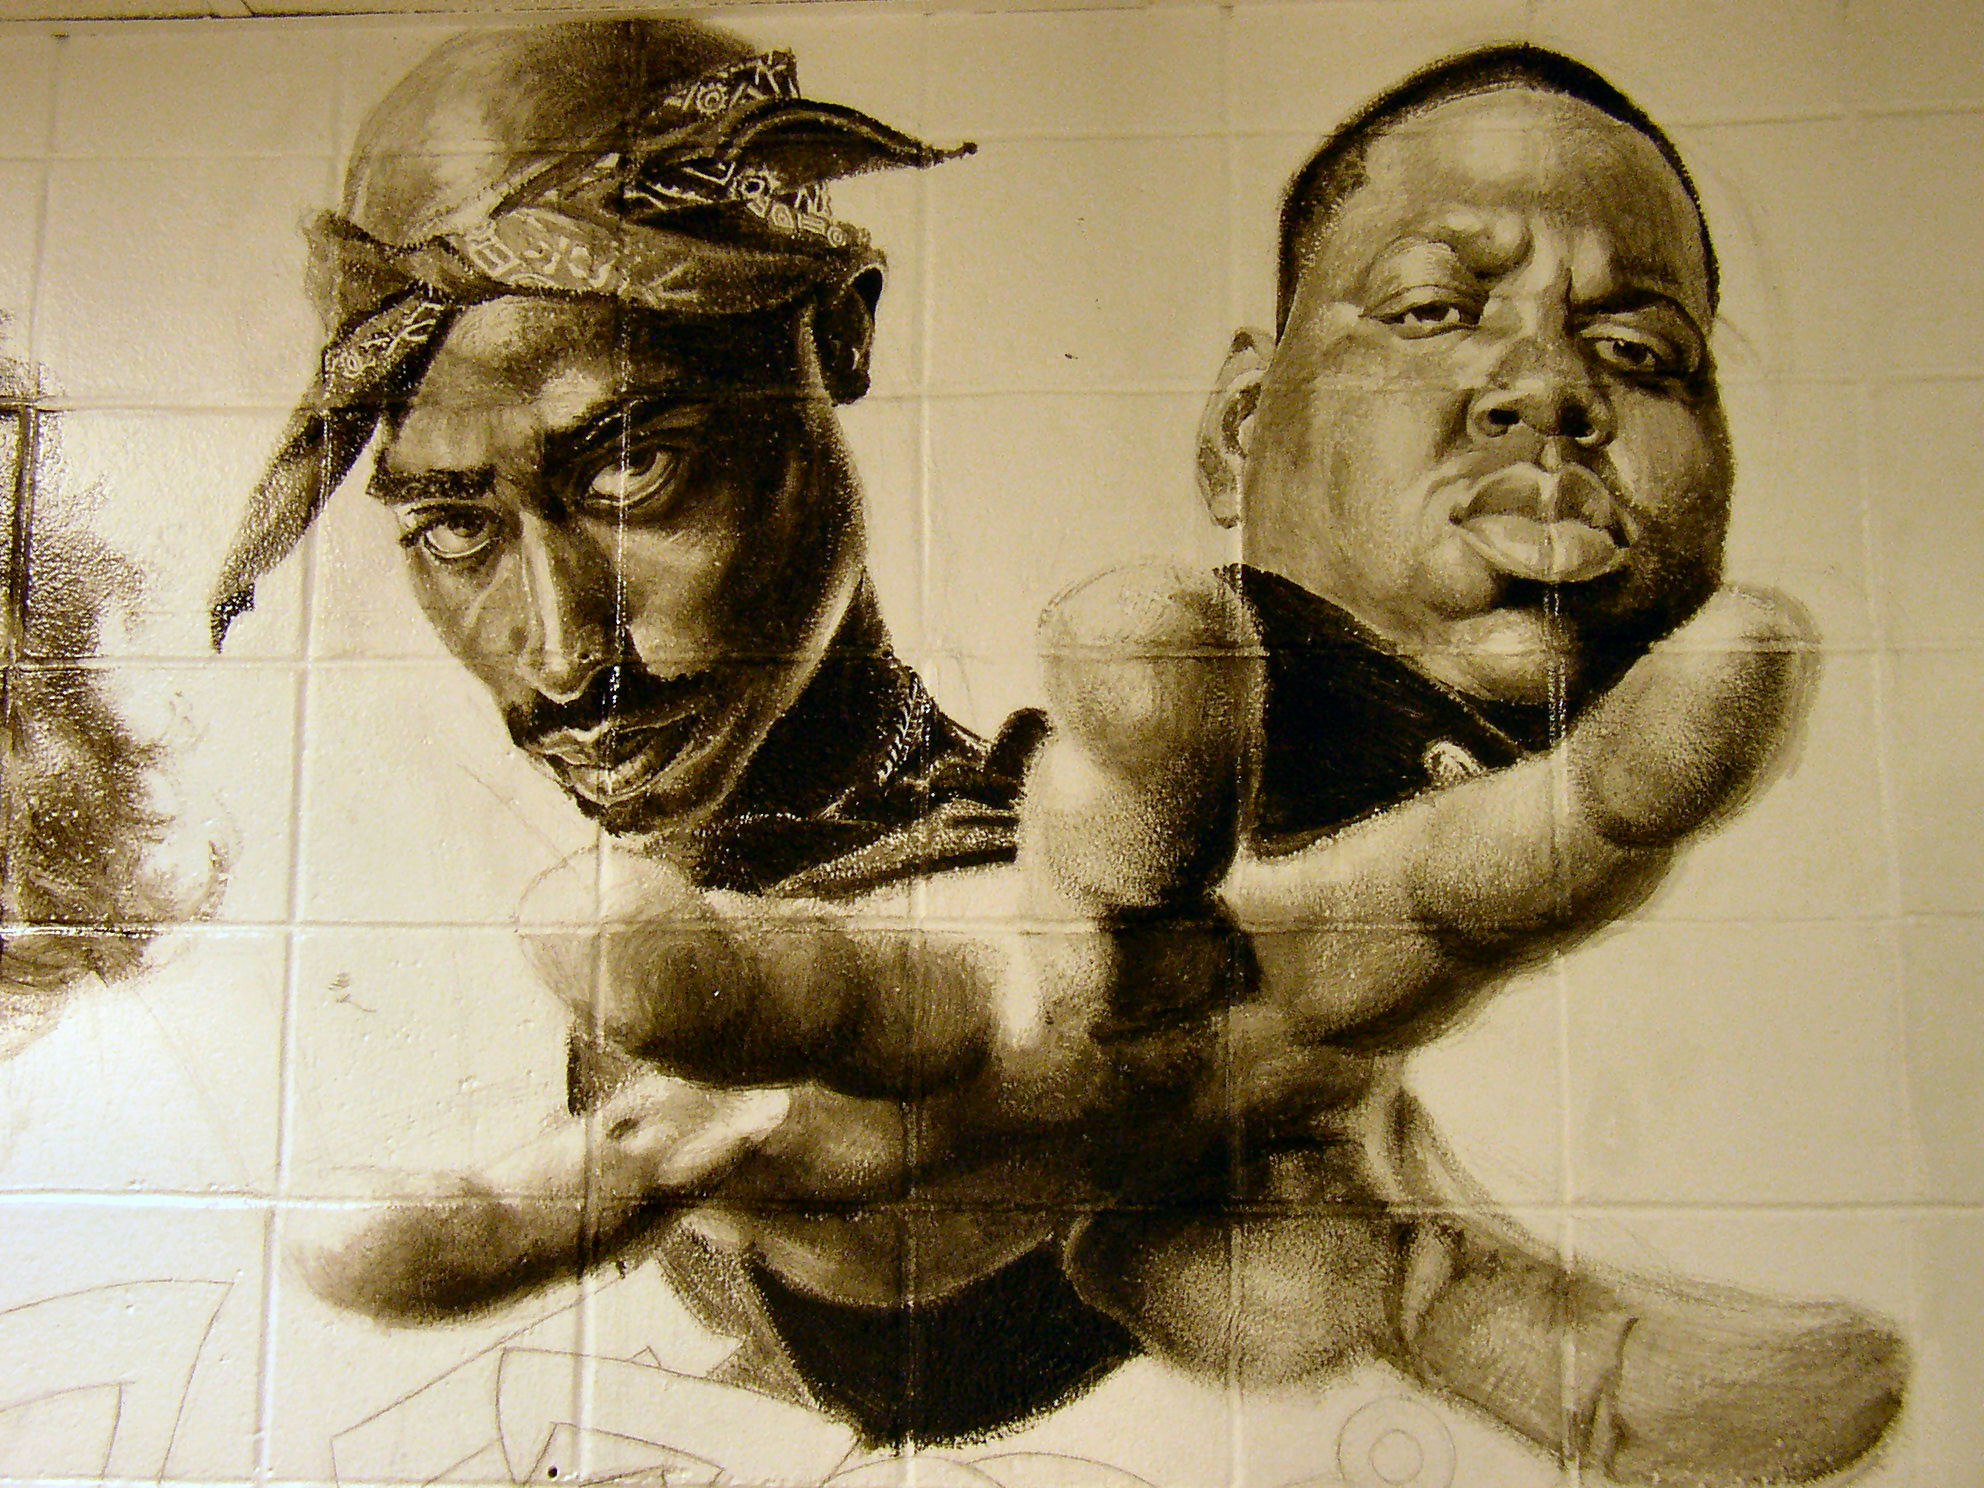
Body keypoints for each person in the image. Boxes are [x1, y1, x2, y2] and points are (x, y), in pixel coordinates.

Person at [208, 21, 1863, 1475]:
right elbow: (1007, 1027)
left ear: (840, 335)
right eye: (450, 528)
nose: (570, 654)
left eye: (637, 469)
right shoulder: (979, 908)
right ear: (1239, 427)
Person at [1067, 43, 1900, 1487]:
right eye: (1432, 311)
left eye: (1640, 353)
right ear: (1243, 429)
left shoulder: (1784, 823)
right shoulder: (1197, 749)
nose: (1548, 389)